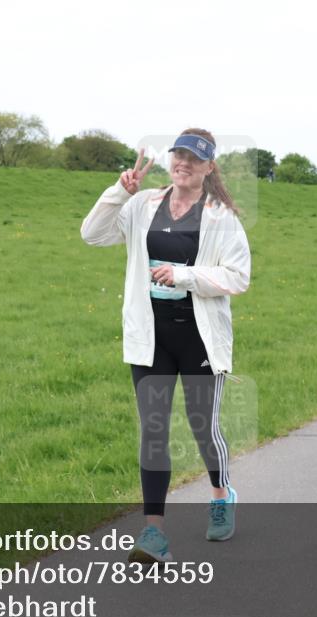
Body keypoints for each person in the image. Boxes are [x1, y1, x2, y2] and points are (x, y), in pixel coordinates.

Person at [81, 129, 251, 562]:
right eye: (179, 155)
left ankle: (220, 494)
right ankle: (154, 533)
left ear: (208, 168)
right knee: (153, 430)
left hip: (198, 336)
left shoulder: (221, 217)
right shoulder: (142, 206)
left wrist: (184, 276)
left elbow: (238, 277)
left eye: (194, 159)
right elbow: (92, 234)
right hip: (150, 336)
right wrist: (119, 193)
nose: (184, 163)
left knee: (202, 426)